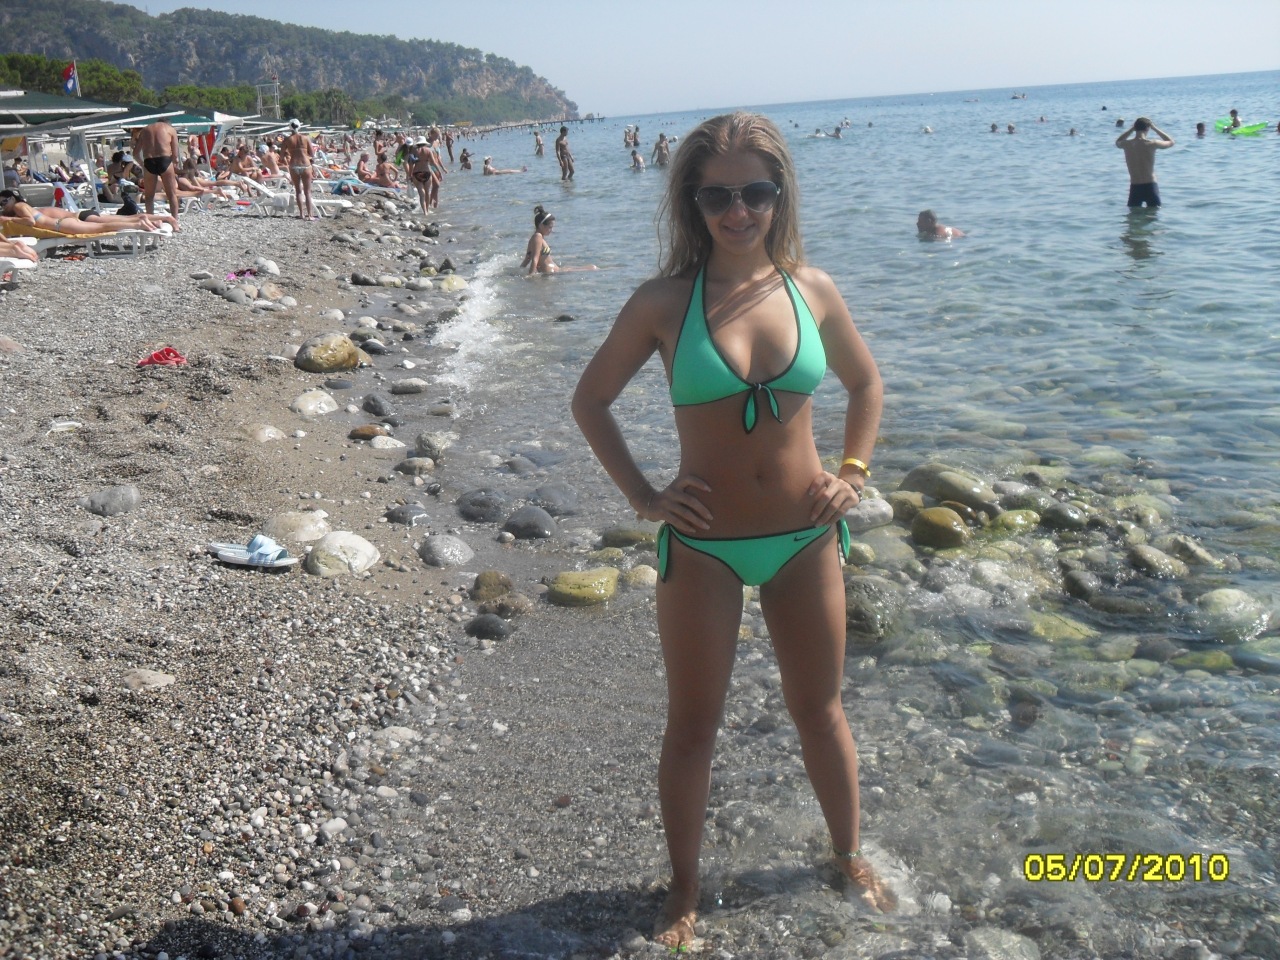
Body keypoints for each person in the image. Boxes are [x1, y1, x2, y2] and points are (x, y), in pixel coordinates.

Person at [571, 112, 894, 951]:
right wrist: (645, 497)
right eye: (717, 196)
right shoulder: (663, 303)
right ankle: (683, 889)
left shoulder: (813, 290)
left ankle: (848, 855)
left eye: (755, 192)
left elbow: (866, 386)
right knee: (693, 727)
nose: (738, 211)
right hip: (704, 548)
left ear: (780, 195)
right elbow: (590, 400)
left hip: (805, 540)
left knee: (819, 711)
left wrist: (854, 475)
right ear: (692, 202)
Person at [1115, 117, 1174, 208]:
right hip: (1150, 186)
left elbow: (1117, 142)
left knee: (1133, 215)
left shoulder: (1127, 144)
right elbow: (1171, 142)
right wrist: (1154, 128)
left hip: (1135, 187)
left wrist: (1131, 129)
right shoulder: (1152, 143)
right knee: (1154, 214)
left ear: (1135, 128)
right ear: (1148, 128)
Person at [130, 120, 182, 219]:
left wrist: (142, 164)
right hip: (165, 160)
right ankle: (175, 221)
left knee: (149, 197)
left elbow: (135, 153)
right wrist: (174, 165)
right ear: (167, 123)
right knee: (172, 195)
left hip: (149, 161)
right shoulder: (170, 129)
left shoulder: (145, 130)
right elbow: (175, 156)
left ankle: (151, 220)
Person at [280, 119, 317, 220]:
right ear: (299, 126)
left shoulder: (287, 140)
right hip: (306, 165)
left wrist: (288, 153)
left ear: (289, 127)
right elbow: (312, 154)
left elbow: (281, 157)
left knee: (298, 191)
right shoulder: (305, 138)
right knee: (307, 192)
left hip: (294, 165)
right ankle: (310, 215)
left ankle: (301, 214)